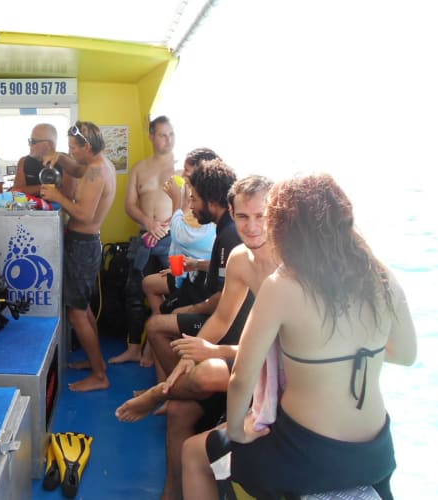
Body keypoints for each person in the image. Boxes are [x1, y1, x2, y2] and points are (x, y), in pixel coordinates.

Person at [181, 174, 417, 500]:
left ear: (283, 226)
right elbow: (406, 354)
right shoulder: (380, 273)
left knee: (194, 454)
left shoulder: (283, 285)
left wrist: (238, 431)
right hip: (375, 457)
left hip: (306, 458)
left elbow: (241, 379)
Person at [116, 175, 276, 499]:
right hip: (244, 357)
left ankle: (158, 393)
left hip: (271, 372)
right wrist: (188, 359)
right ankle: (171, 492)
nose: (252, 226)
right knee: (179, 410)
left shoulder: (290, 265)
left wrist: (211, 351)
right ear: (232, 210)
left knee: (208, 373)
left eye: (262, 216)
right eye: (243, 216)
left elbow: (278, 349)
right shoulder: (241, 258)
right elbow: (221, 317)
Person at [39, 121, 116, 392]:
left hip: (82, 246)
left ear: (87, 146)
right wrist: (59, 156)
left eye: (73, 148)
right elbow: (75, 167)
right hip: (84, 244)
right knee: (83, 309)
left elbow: (84, 214)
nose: (71, 152)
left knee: (76, 314)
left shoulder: (97, 173)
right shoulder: (97, 164)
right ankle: (98, 364)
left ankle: (99, 376)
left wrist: (57, 194)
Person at [139, 148, 219, 362]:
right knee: (148, 283)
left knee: (161, 322)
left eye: (188, 171)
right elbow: (178, 238)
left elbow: (184, 235)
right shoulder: (191, 196)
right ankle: (155, 344)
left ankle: (156, 347)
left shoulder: (210, 205)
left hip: (199, 280)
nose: (183, 176)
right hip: (186, 270)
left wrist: (176, 202)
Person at [110, 116, 177, 366]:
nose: (167, 140)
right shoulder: (140, 168)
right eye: (162, 135)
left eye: (171, 134)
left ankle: (160, 349)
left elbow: (189, 205)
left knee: (174, 292)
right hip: (145, 237)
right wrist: (149, 224)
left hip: (172, 239)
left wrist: (165, 226)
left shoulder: (181, 167)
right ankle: (134, 348)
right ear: (151, 136)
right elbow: (129, 205)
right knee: (134, 294)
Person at [12, 123, 74, 198]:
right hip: (30, 208)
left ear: (49, 144)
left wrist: (30, 190)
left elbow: (67, 194)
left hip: (57, 208)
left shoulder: (66, 161)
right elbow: (16, 192)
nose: (30, 145)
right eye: (30, 141)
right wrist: (49, 187)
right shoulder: (23, 162)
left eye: (33, 141)